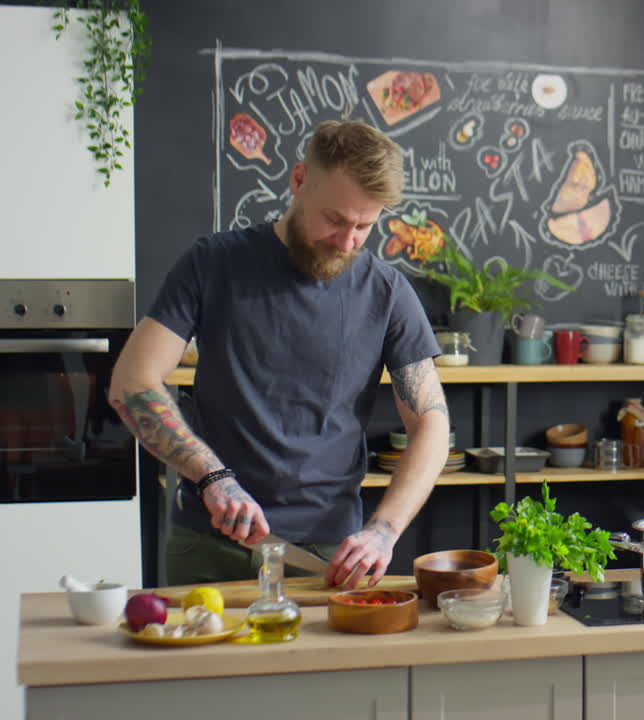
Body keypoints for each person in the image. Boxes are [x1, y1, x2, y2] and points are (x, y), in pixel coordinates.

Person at [109, 120, 449, 589]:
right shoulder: (212, 263)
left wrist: (383, 531)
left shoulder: (386, 292)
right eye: (335, 219)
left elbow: (431, 424)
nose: (348, 241)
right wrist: (213, 478)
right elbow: (133, 382)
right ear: (299, 180)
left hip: (329, 557)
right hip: (208, 547)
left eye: (365, 226)